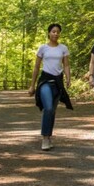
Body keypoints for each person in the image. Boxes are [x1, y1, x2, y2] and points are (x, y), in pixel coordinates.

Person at [28, 23, 72, 151]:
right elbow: (36, 67)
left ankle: (49, 136)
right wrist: (32, 86)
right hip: (45, 81)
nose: (55, 34)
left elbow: (66, 65)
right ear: (49, 33)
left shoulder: (63, 48)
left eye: (58, 32)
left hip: (58, 82)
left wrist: (68, 78)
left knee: (52, 110)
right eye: (53, 31)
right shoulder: (42, 48)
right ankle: (45, 138)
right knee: (47, 108)